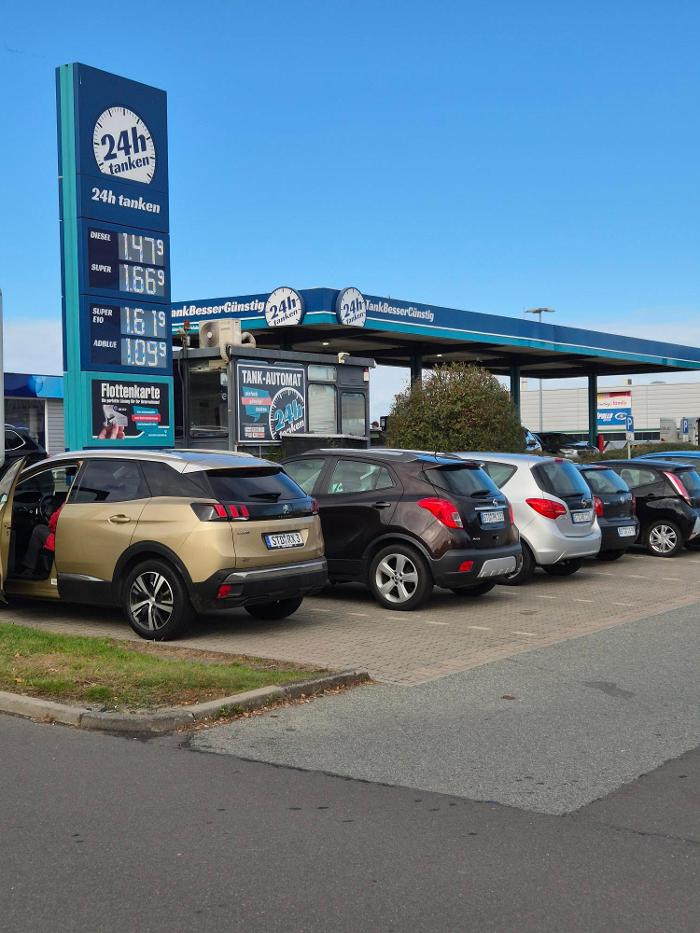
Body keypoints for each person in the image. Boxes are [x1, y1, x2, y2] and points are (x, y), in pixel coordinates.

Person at [21, 503, 63, 577]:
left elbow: (52, 523)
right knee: (42, 528)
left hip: (59, 541)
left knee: (38, 530)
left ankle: (30, 568)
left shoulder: (67, 505)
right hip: (66, 538)